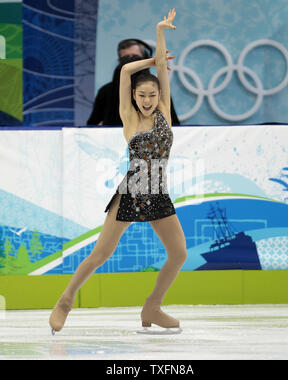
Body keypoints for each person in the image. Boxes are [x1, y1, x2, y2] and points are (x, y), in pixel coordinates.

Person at [49, 8, 187, 334]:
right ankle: (66, 300)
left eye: (153, 94)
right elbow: (126, 72)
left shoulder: (164, 109)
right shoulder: (130, 118)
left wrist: (159, 30)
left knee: (178, 253)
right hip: (132, 191)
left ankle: (152, 306)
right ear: (135, 98)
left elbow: (161, 75)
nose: (149, 100)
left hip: (158, 191)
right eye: (143, 96)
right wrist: (151, 62)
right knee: (100, 254)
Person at [87, 38, 180, 126]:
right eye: (126, 58)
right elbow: (92, 125)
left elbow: (174, 124)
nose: (131, 62)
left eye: (135, 57)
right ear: (119, 61)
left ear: (144, 59)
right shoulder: (105, 91)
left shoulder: (158, 90)